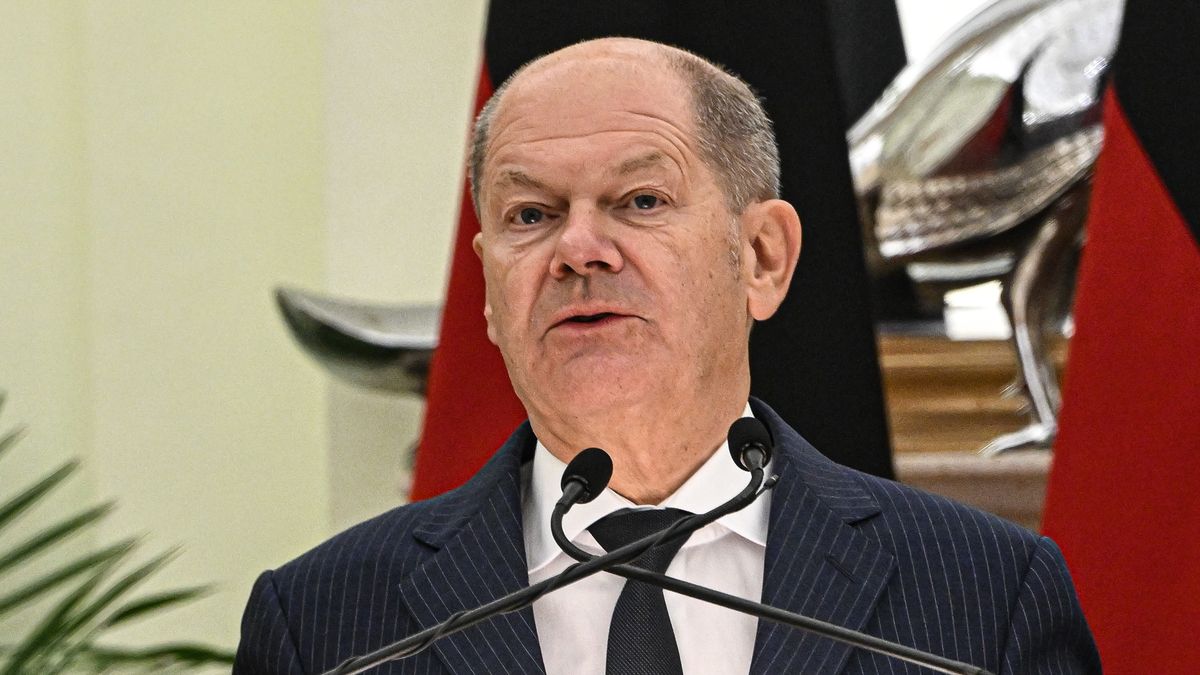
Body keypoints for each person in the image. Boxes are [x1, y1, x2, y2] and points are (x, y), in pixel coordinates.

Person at [234, 38, 1100, 674]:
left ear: (762, 258)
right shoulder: (327, 626)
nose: (578, 248)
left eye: (640, 200)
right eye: (530, 215)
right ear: (490, 295)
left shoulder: (984, 599)